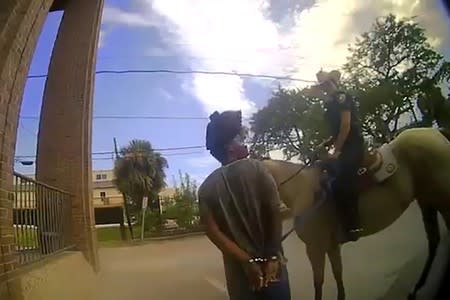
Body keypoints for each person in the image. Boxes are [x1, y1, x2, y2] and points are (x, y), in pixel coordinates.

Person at [198, 110, 291, 300]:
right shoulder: (258, 168)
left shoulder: (206, 188)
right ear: (230, 147)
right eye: (240, 138)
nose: (244, 142)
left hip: (240, 278)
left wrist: (247, 262)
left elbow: (212, 231)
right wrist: (273, 256)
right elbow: (274, 211)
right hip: (272, 271)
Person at [315, 70, 365, 242]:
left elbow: (346, 125)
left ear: (334, 82)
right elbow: (336, 131)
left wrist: (336, 149)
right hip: (342, 144)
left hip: (353, 144)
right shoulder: (329, 105)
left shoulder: (342, 97)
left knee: (342, 179)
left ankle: (353, 225)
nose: (325, 88)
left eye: (327, 84)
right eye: (323, 86)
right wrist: (327, 143)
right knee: (321, 171)